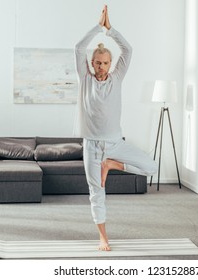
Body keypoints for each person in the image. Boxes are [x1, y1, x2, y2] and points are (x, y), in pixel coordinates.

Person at [74, 5, 157, 251]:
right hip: (91, 146)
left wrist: (109, 30)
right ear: (92, 63)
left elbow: (128, 50)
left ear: (111, 64)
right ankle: (103, 238)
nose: (101, 67)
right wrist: (96, 27)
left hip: (114, 144)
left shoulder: (117, 78)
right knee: (96, 192)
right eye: (97, 62)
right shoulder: (85, 79)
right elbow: (79, 47)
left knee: (151, 167)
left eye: (105, 63)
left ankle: (112, 165)